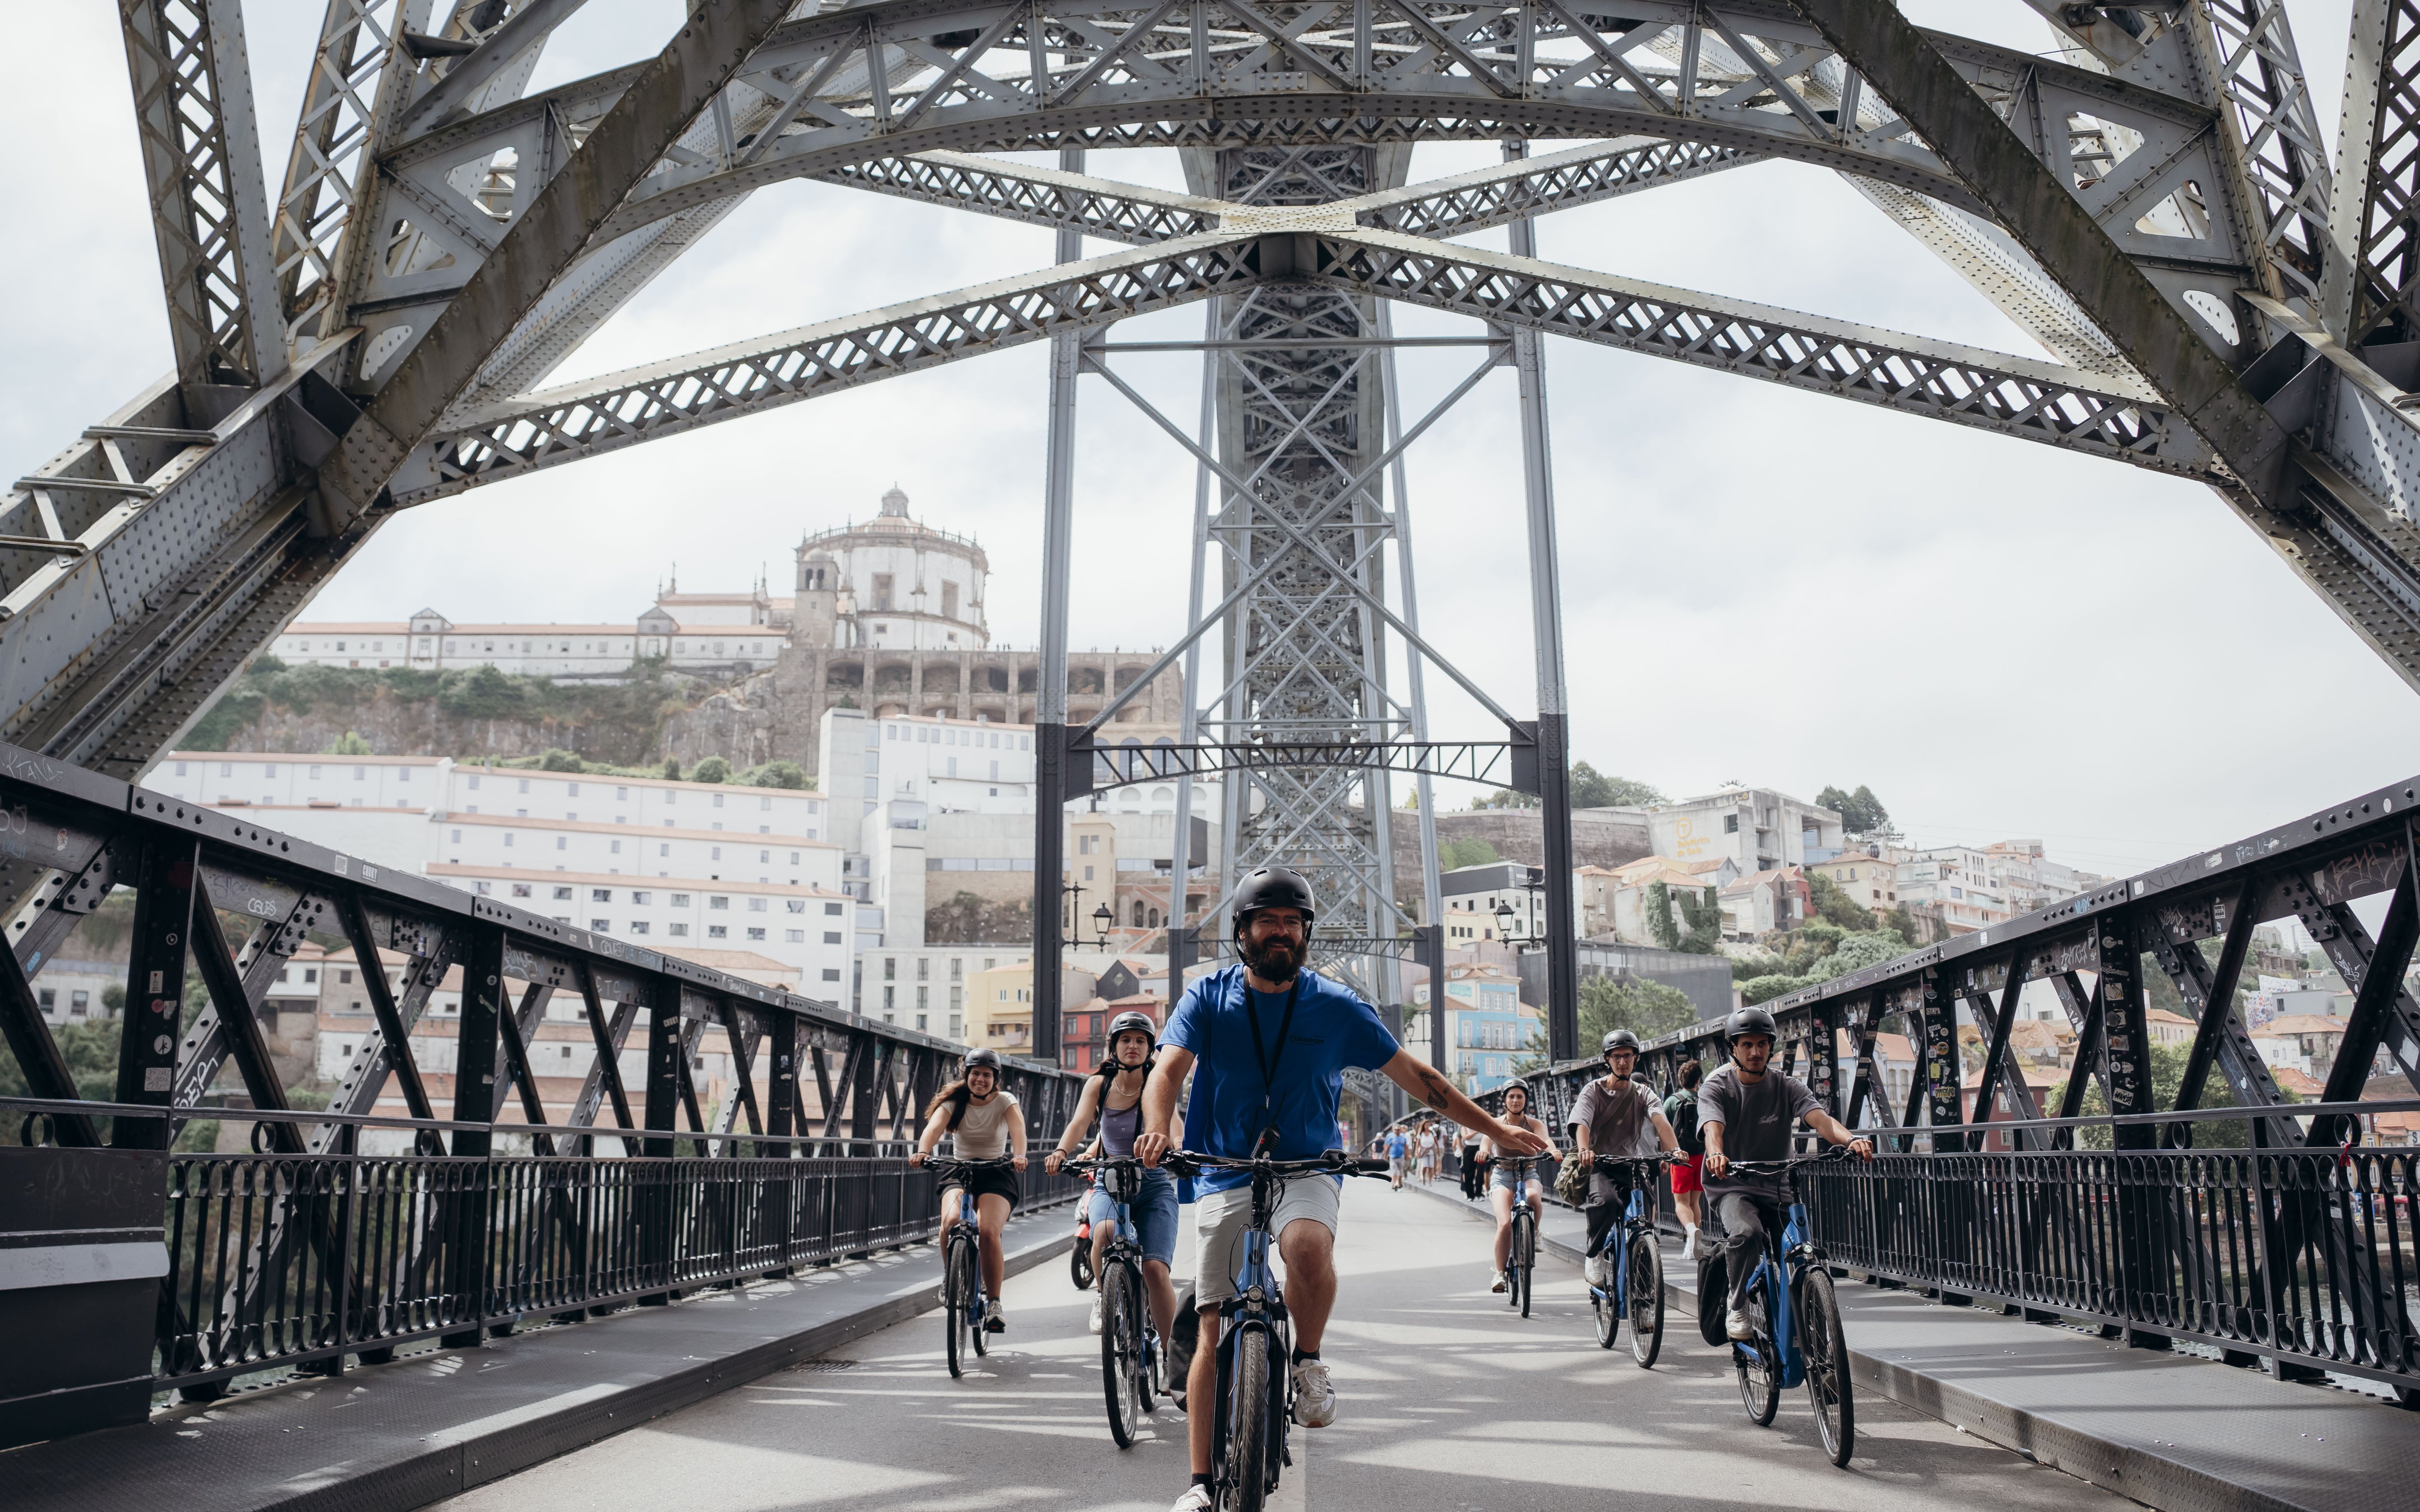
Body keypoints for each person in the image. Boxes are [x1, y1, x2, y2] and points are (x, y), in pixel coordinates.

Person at [1136, 865, 1546, 1512]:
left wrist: (1495, 1126)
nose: (1282, 931)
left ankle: (1307, 1358)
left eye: (1293, 922)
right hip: (1222, 1165)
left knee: (1304, 1247)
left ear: (1306, 933)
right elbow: (1166, 1071)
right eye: (1268, 921)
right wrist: (1159, 1128)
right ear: (1241, 931)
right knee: (1213, 1327)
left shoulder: (1334, 1004)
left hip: (1306, 1164)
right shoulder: (1207, 996)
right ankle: (1200, 1481)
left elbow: (1420, 1077)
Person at [1699, 1006, 1874, 1341]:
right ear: (1733, 1048)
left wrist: (1851, 1139)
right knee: (1748, 1233)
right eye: (1747, 1044)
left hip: (1778, 1185)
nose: (1755, 1051)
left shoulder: (1787, 1085)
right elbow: (1712, 1128)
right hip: (1733, 1185)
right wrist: (1717, 1153)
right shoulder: (1717, 1087)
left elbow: (1822, 1121)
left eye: (1762, 1044)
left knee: (1804, 1252)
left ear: (1771, 1046)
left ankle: (1821, 1344)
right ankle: (1737, 1306)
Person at [1045, 1010, 1183, 1347]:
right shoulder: (1099, 1084)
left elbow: (1174, 1122)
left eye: (1140, 1040)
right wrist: (1062, 1151)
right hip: (1111, 1178)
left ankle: (1173, 1358)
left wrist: (1179, 1149)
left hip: (1152, 1183)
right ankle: (1102, 1292)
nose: (1133, 1046)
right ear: (1113, 1047)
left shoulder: (1158, 1081)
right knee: (1104, 1232)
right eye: (1126, 1040)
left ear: (1150, 1048)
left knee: (1154, 1269)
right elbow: (1079, 1122)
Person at [909, 1048, 1028, 1332]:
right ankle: (951, 1278)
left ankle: (995, 1303)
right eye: (975, 1073)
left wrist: (1020, 1154)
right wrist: (923, 1152)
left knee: (988, 1232)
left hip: (996, 1172)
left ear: (995, 1079)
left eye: (987, 1075)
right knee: (950, 1223)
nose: (980, 1079)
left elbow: (1018, 1130)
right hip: (960, 1170)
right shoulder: (955, 1102)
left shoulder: (1005, 1101)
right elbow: (933, 1128)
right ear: (967, 1075)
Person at [1569, 1030, 1679, 1287]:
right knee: (1607, 1202)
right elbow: (1582, 1122)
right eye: (1616, 1057)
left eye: (1627, 1056)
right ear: (1607, 1059)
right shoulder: (1593, 1091)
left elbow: (1660, 1122)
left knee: (1646, 1219)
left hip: (1630, 1165)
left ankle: (1645, 1293)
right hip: (1599, 1165)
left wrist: (1674, 1150)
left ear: (1635, 1058)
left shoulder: (1643, 1093)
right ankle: (1594, 1253)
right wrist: (1584, 1149)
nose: (1622, 1062)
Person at [1480, 1080, 1559, 1290]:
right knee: (1505, 1223)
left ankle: (1535, 1232)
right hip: (1502, 1175)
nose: (1515, 1101)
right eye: (1511, 1097)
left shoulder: (1534, 1124)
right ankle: (1499, 1274)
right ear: (1505, 1100)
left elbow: (1546, 1141)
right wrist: (1484, 1152)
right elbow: (1486, 1142)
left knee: (1533, 1197)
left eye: (1520, 1097)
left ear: (1526, 1100)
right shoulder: (1496, 1123)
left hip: (1528, 1172)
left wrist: (1552, 1150)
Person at [1661, 1059, 1708, 1258]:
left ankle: (1691, 1231)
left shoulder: (1672, 1101)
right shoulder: (1704, 1100)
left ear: (1681, 1079)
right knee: (1695, 1202)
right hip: (1702, 1156)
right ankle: (1692, 1245)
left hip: (1681, 1158)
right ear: (1699, 1079)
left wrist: (1666, 1156)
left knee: (1681, 1203)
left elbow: (1664, 1131)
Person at [1385, 1125, 1410, 1189]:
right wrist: (1386, 1156)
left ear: (1401, 1130)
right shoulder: (1391, 1137)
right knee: (1395, 1172)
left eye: (1398, 1130)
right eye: (1396, 1130)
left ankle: (1399, 1183)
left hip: (1401, 1157)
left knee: (1401, 1172)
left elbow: (1406, 1147)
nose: (1397, 1131)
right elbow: (1388, 1147)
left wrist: (1407, 1155)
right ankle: (1394, 1184)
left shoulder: (1403, 1138)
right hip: (1393, 1157)